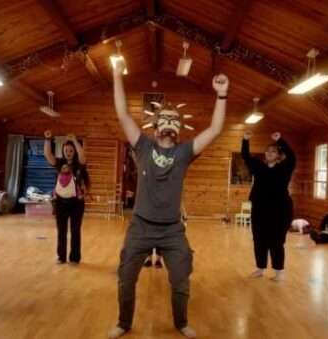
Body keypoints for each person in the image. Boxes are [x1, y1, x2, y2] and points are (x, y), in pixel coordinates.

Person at [107, 58, 229, 339]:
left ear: (180, 127)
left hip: (172, 230)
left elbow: (215, 130)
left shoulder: (184, 153)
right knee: (126, 279)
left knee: (181, 280)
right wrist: (117, 75)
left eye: (175, 120)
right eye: (165, 119)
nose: (170, 124)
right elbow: (123, 113)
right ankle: (124, 323)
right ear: (156, 125)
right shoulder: (143, 146)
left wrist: (221, 95)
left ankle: (181, 322)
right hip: (140, 226)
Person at [241, 131, 296, 281]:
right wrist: (245, 140)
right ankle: (260, 268)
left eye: (273, 151)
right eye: (267, 151)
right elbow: (246, 156)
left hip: (280, 210)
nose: (269, 153)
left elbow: (292, 157)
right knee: (259, 239)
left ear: (278, 155)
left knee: (277, 241)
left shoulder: (284, 168)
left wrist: (281, 140)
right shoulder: (258, 167)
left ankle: (279, 271)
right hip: (260, 209)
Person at [44, 130, 90, 264]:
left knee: (75, 231)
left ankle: (75, 258)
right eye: (66, 150)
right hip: (60, 203)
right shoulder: (60, 163)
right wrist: (47, 139)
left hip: (76, 203)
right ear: (63, 151)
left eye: (70, 150)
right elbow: (48, 155)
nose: (68, 153)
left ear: (74, 151)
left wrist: (75, 141)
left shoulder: (79, 163)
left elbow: (82, 155)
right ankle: (61, 257)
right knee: (61, 231)